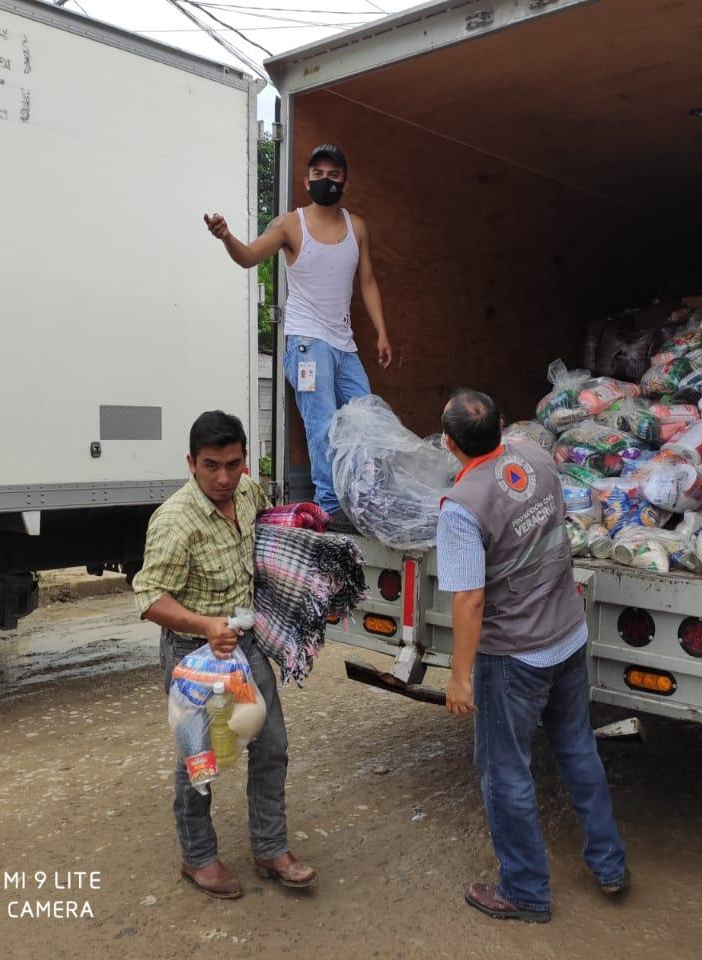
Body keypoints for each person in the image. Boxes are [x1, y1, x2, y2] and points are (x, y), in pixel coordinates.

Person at [437, 389, 629, 923]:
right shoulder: (536, 456)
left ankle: (524, 891)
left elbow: (470, 598)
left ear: (449, 444)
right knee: (577, 747)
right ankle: (610, 863)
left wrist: (459, 677)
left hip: (514, 655)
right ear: (501, 424)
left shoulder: (462, 505)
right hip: (567, 634)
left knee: (506, 773)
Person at [132, 410, 316, 899]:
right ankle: (198, 858)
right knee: (202, 760)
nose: (223, 478)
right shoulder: (174, 520)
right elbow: (149, 597)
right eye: (211, 465)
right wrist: (204, 626)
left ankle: (270, 847)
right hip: (195, 657)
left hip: (247, 647)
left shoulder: (248, 493)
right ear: (191, 463)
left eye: (233, 464)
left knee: (271, 744)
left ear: (245, 462)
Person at [204, 144, 391, 529]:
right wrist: (226, 236)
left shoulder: (357, 227)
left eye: (334, 174)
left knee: (367, 422)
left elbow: (368, 281)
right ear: (307, 181)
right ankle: (329, 509)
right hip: (307, 344)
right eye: (318, 174)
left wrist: (381, 334)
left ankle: (363, 498)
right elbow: (249, 257)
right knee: (321, 427)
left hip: (345, 343)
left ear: (345, 181)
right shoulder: (291, 224)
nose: (326, 180)